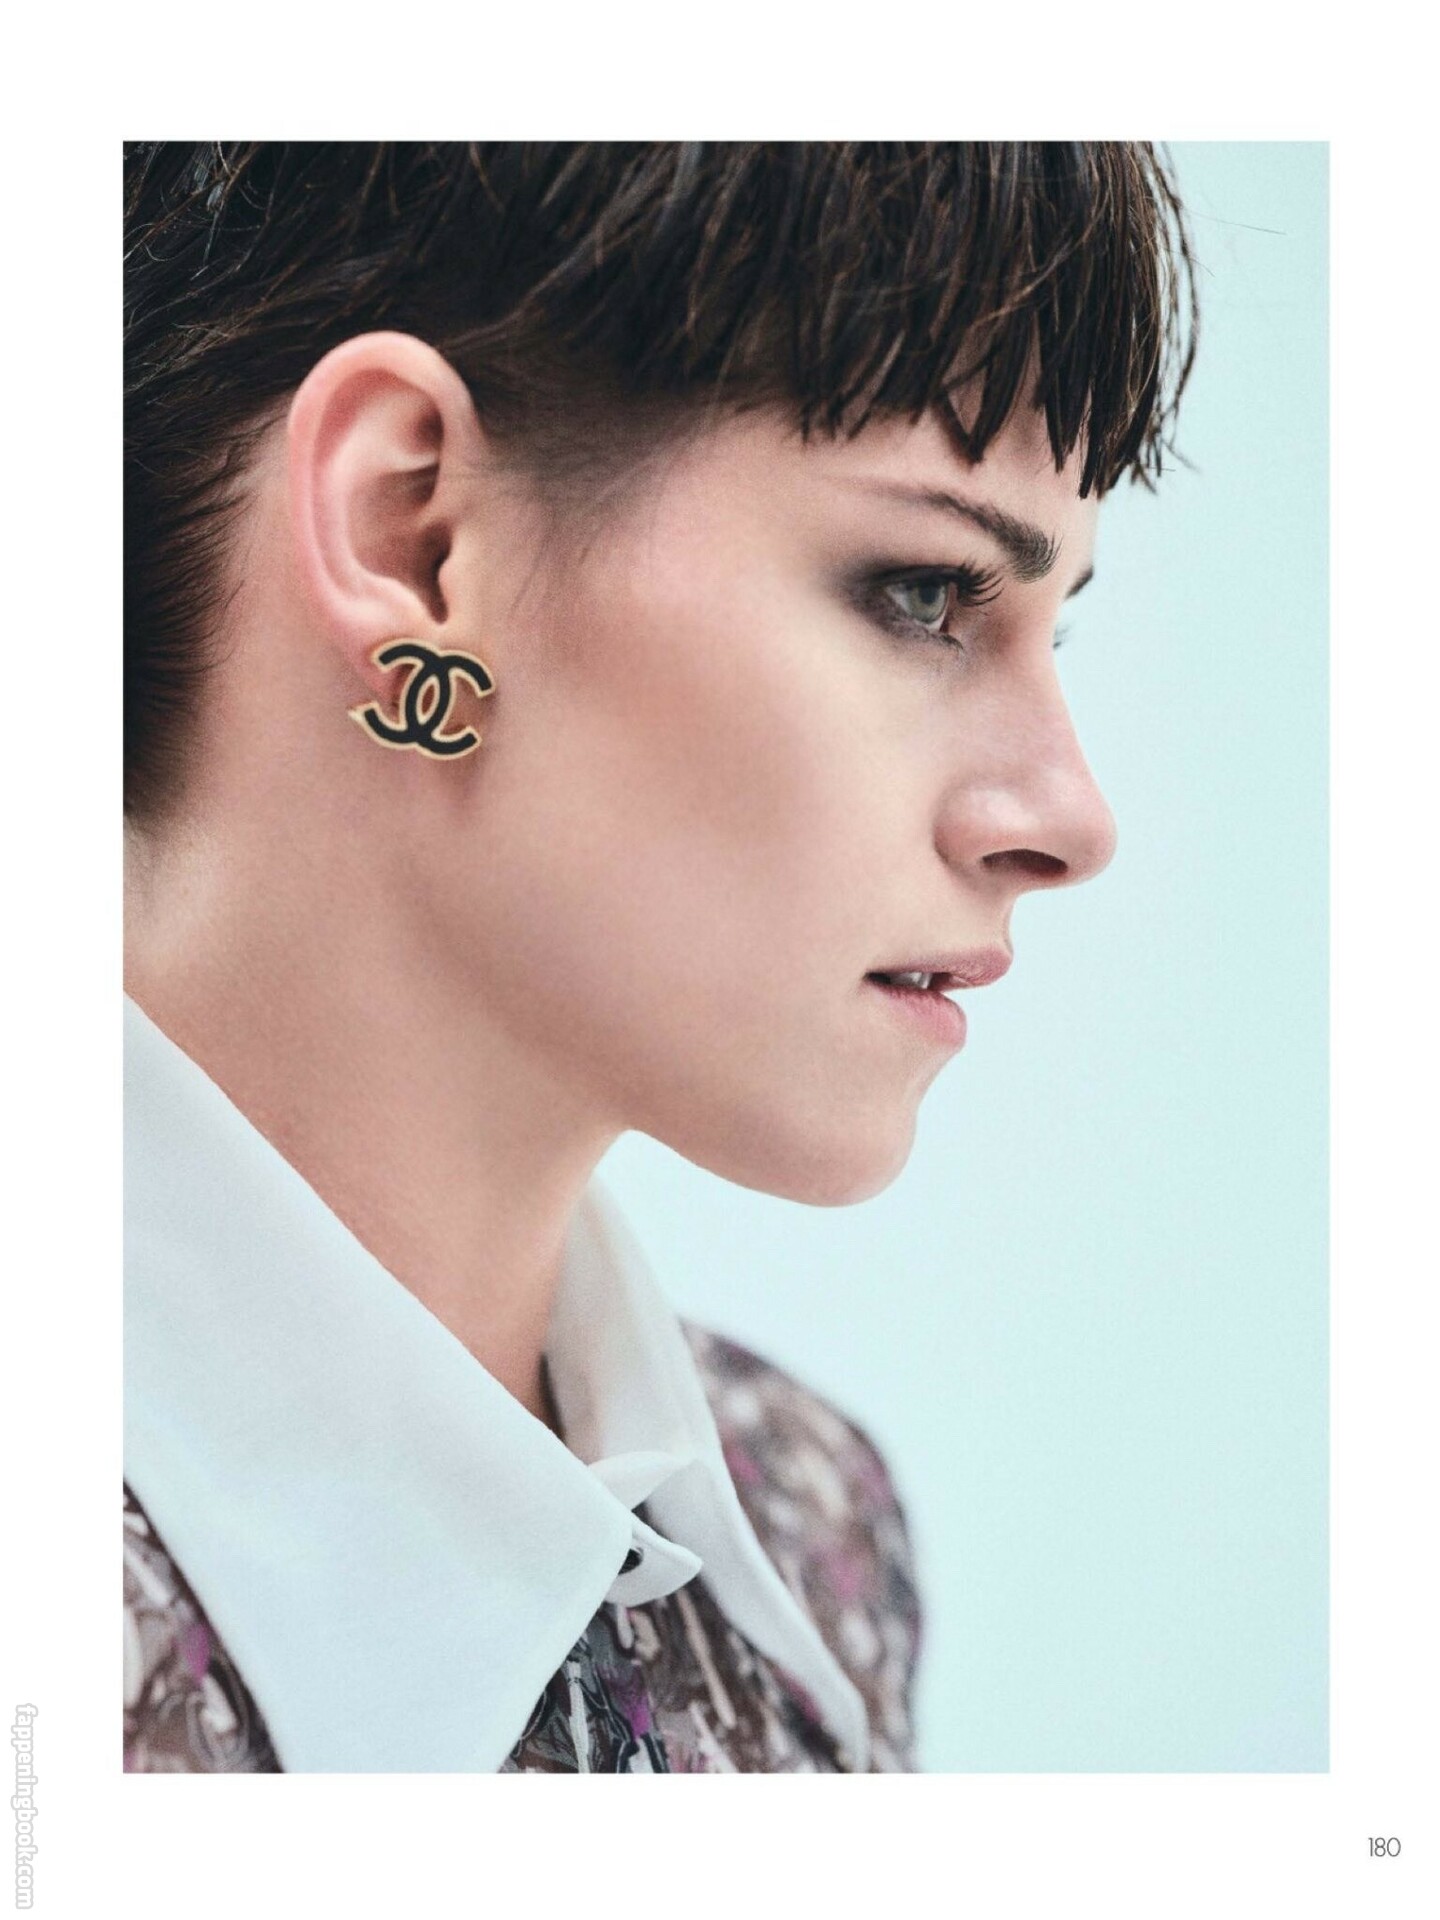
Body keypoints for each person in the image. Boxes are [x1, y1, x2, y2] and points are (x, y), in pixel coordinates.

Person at [122, 141, 1198, 1773]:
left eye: (1057, 633)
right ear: (413, 535)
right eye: (926, 593)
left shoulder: (818, 1539)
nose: (1068, 815)